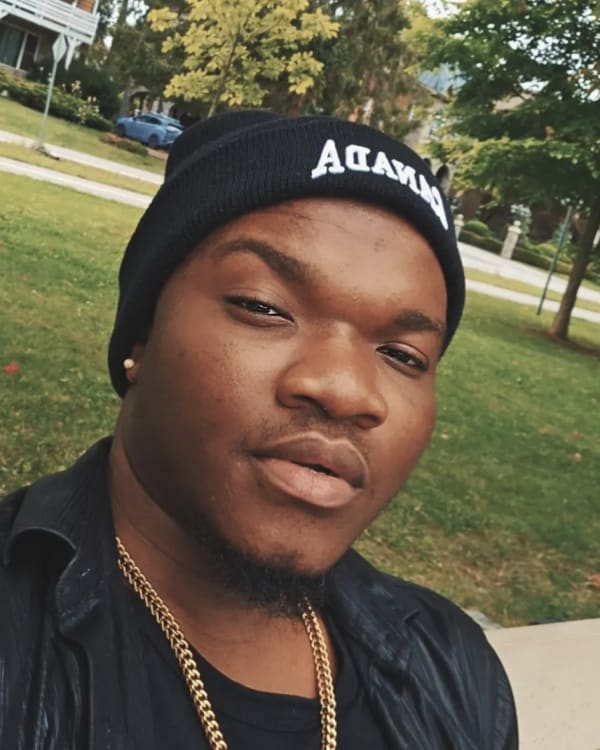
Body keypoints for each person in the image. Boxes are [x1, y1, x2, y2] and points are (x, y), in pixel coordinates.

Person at [0, 110, 518, 749]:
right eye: (263, 307)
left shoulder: (456, 671)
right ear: (141, 333)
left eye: (403, 355)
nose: (347, 390)